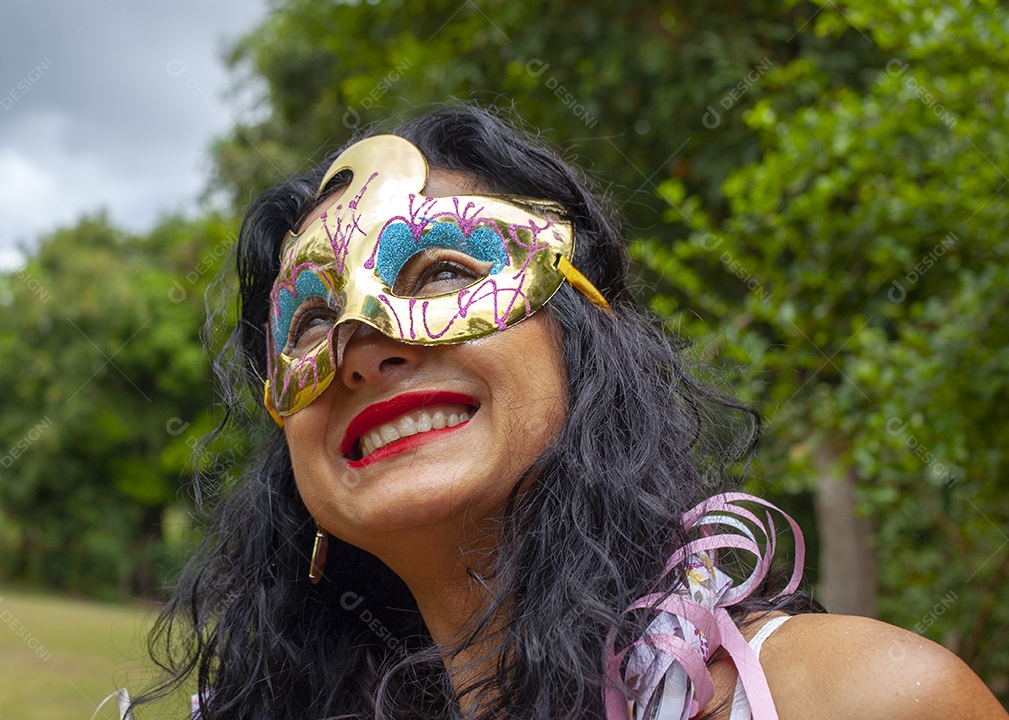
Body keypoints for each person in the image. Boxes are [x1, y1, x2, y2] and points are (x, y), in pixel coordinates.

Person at [137, 106, 1006, 719]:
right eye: (312, 319)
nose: (359, 344)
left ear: (588, 335)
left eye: (441, 271)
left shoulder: (867, 701)